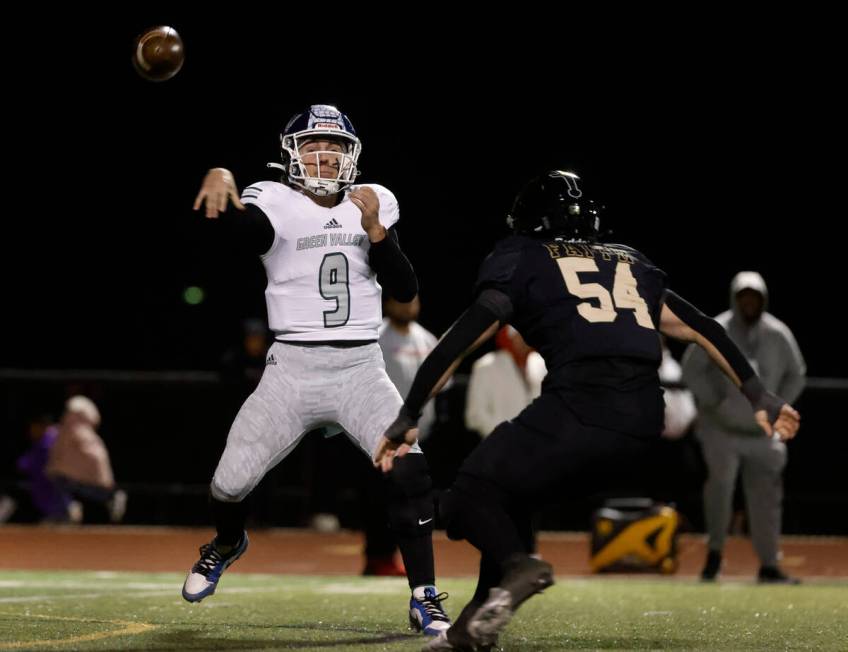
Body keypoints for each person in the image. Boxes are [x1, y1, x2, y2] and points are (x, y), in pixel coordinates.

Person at [373, 170, 801, 651]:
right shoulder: (631, 263)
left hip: (580, 408)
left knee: (472, 492)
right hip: (643, 423)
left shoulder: (522, 258)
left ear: (531, 222)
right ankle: (474, 623)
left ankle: (521, 565)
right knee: (509, 495)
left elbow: (459, 340)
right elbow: (703, 329)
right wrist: (759, 395)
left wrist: (409, 412)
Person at [184, 104, 450, 636]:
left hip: (359, 366)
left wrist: (376, 230)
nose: (324, 155)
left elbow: (403, 289)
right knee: (227, 487)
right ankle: (227, 543)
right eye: (311, 145)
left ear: (351, 155)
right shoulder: (273, 198)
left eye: (334, 146)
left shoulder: (373, 200)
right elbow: (246, 233)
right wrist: (224, 182)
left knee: (410, 468)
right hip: (292, 369)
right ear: (291, 155)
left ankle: (424, 595)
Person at [681, 271, 805, 583]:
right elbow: (692, 370)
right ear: (735, 298)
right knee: (719, 493)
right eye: (744, 296)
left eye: (755, 296)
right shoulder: (716, 328)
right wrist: (714, 401)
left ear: (763, 299)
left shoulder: (778, 333)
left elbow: (796, 373)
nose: (749, 301)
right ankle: (713, 556)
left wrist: (779, 406)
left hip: (763, 433)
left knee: (767, 498)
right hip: (721, 429)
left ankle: (769, 564)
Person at [46, 396, 126, 524]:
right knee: (73, 486)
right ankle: (108, 497)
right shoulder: (83, 433)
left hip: (81, 475)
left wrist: (52, 468)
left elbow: (95, 457)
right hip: (84, 475)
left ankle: (70, 508)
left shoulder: (75, 431)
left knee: (61, 481)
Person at [464, 325, 547, 438]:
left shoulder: (540, 363)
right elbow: (475, 415)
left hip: (537, 444)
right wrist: (505, 435)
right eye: (518, 336)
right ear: (510, 337)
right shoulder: (486, 366)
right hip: (501, 446)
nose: (523, 341)